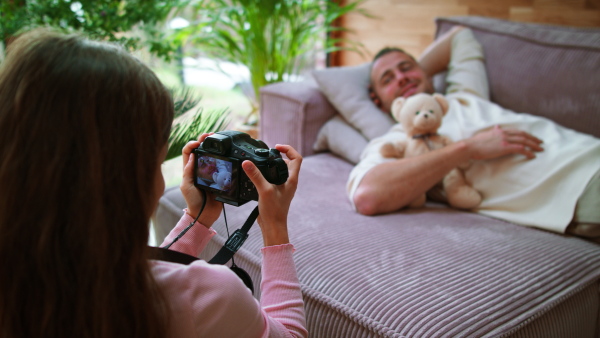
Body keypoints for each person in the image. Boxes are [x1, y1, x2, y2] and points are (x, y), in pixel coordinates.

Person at [0, 28, 307, 337]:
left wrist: (197, 220)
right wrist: (276, 227)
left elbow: (148, 272)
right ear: (125, 181)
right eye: (157, 163)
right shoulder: (204, 293)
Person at [348, 26, 600, 238]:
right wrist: (467, 149)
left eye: (406, 67)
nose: (401, 77)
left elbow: (460, 35)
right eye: (387, 79)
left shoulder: (464, 94)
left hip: (588, 151)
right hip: (578, 186)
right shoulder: (396, 140)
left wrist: (410, 78)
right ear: (377, 101)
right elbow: (367, 195)